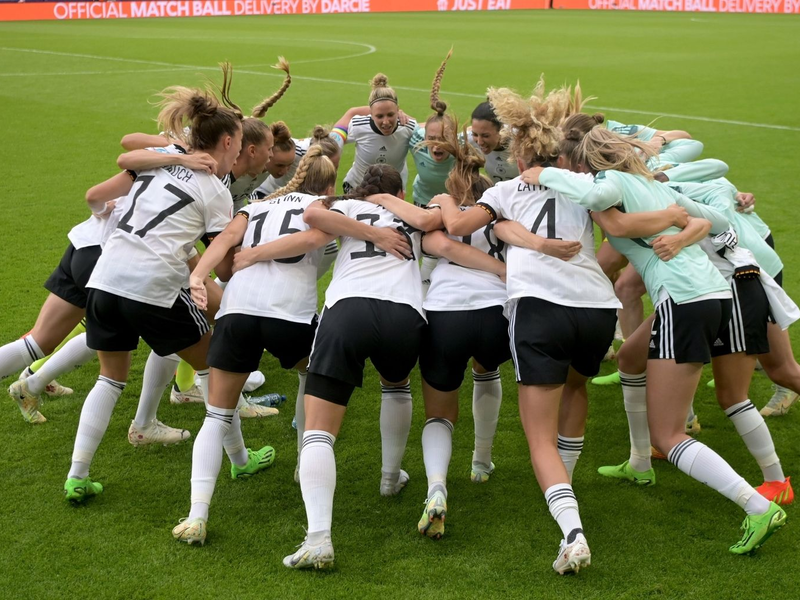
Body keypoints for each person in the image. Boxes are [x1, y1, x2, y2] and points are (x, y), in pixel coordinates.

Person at [529, 126, 787, 556]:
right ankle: (638, 463)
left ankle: (758, 505)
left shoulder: (604, 183)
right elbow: (719, 221)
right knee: (630, 359)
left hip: (682, 302)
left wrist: (543, 175)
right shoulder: (651, 182)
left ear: (586, 164)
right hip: (710, 296)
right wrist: (681, 222)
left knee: (668, 434)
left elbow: (595, 199)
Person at [437, 81, 621, 574]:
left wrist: (448, 202)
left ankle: (572, 532)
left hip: (540, 307)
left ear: (520, 158)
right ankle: (568, 485)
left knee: (537, 434)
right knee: (577, 389)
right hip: (598, 308)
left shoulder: (503, 190)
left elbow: (457, 229)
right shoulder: (583, 183)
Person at [62, 83, 242, 503]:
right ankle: (240, 459)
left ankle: (77, 475)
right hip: (153, 285)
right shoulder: (216, 191)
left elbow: (124, 160)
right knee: (215, 369)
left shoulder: (159, 161)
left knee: (109, 378)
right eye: (236, 149)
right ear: (228, 142)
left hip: (106, 277)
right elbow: (224, 265)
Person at [172, 146, 342, 545]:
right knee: (308, 375)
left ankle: (197, 515)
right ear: (329, 184)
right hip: (290, 315)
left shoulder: (257, 206)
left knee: (216, 415)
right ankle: (305, 457)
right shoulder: (324, 208)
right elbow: (318, 242)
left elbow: (223, 246)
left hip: (238, 313)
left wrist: (199, 274)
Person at [283, 165, 440, 570]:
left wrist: (364, 224)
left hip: (348, 309)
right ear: (400, 189)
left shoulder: (345, 206)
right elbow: (433, 225)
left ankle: (318, 537)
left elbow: (313, 215)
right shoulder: (412, 210)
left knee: (320, 429)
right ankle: (390, 478)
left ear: (360, 189)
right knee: (396, 384)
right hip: (404, 312)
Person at [414, 121, 510, 541]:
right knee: (487, 372)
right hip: (494, 310)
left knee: (439, 412)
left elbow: (440, 245)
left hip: (444, 312)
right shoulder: (503, 212)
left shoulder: (440, 216)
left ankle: (437, 486)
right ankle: (481, 462)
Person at [339, 74, 417, 193]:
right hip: (358, 188)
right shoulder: (358, 126)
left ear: (398, 110)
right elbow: (333, 141)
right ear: (370, 113)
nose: (386, 122)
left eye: (390, 115)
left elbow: (427, 132)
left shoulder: (408, 127)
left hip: (390, 191)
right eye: (379, 116)